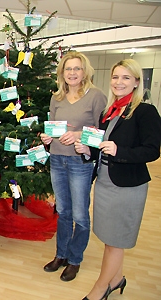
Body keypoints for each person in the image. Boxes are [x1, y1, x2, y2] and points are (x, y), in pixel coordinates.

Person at [74, 59, 161, 300]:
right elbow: (98, 148)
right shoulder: (108, 112)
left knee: (115, 241)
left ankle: (100, 290)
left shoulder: (145, 111)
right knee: (110, 238)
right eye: (115, 77)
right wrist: (86, 150)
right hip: (104, 181)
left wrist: (119, 150)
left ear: (136, 82)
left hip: (127, 186)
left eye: (125, 77)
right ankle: (117, 279)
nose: (119, 82)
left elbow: (152, 151)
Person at [40, 51, 108, 282]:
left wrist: (79, 134)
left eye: (77, 68)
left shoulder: (95, 96)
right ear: (62, 73)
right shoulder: (56, 97)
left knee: (80, 213)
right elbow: (53, 128)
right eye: (68, 69)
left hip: (80, 161)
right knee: (63, 211)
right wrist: (47, 140)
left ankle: (75, 258)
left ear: (85, 71)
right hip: (57, 159)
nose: (72, 73)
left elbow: (103, 132)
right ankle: (61, 254)